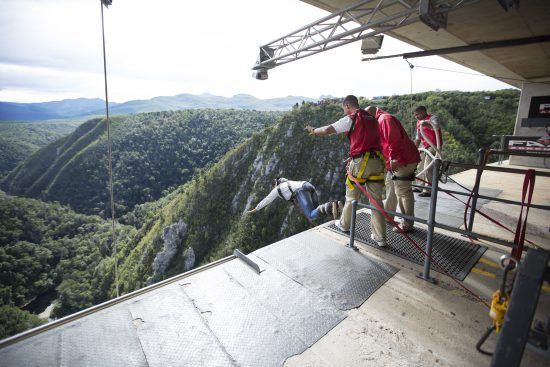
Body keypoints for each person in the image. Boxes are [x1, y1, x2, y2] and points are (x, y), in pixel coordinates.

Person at [304, 95, 387, 247]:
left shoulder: (352, 118)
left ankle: (344, 224)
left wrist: (314, 130)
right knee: (376, 201)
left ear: (348, 105)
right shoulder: (372, 119)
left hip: (361, 163)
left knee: (351, 196)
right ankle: (380, 237)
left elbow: (329, 129)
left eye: (344, 108)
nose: (344, 111)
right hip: (377, 162)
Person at [366, 106, 420, 233]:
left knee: (403, 191)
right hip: (396, 161)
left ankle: (407, 223)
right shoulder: (379, 120)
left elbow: (394, 141)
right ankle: (388, 215)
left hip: (403, 160)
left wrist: (394, 159)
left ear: (371, 114)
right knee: (391, 186)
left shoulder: (385, 119)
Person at [247, 177, 342, 221]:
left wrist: (256, 209)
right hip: (308, 185)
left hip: (301, 190)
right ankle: (335, 206)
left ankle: (330, 206)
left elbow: (267, 199)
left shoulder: (277, 188)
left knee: (311, 215)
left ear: (275, 185)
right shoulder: (288, 183)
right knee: (317, 211)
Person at [414, 106, 443, 197]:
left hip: (434, 146)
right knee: (420, 165)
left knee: (428, 166)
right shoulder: (418, 122)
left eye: (417, 114)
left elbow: (436, 126)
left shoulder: (433, 118)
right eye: (415, 115)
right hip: (425, 146)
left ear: (423, 112)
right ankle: (419, 186)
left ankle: (428, 190)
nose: (416, 117)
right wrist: (414, 150)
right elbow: (418, 138)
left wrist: (425, 123)